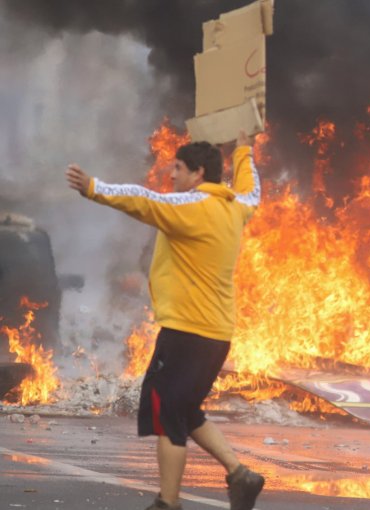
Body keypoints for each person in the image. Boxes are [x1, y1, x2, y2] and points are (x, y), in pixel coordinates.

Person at [65, 132, 265, 510]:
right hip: (217, 335)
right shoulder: (236, 207)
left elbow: (143, 200)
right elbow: (252, 190)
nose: (171, 175)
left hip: (186, 334)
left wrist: (93, 187)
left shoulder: (191, 206)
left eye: (178, 168)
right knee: (186, 410)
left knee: (167, 411)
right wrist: (243, 149)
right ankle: (240, 475)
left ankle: (167, 503)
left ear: (198, 172)